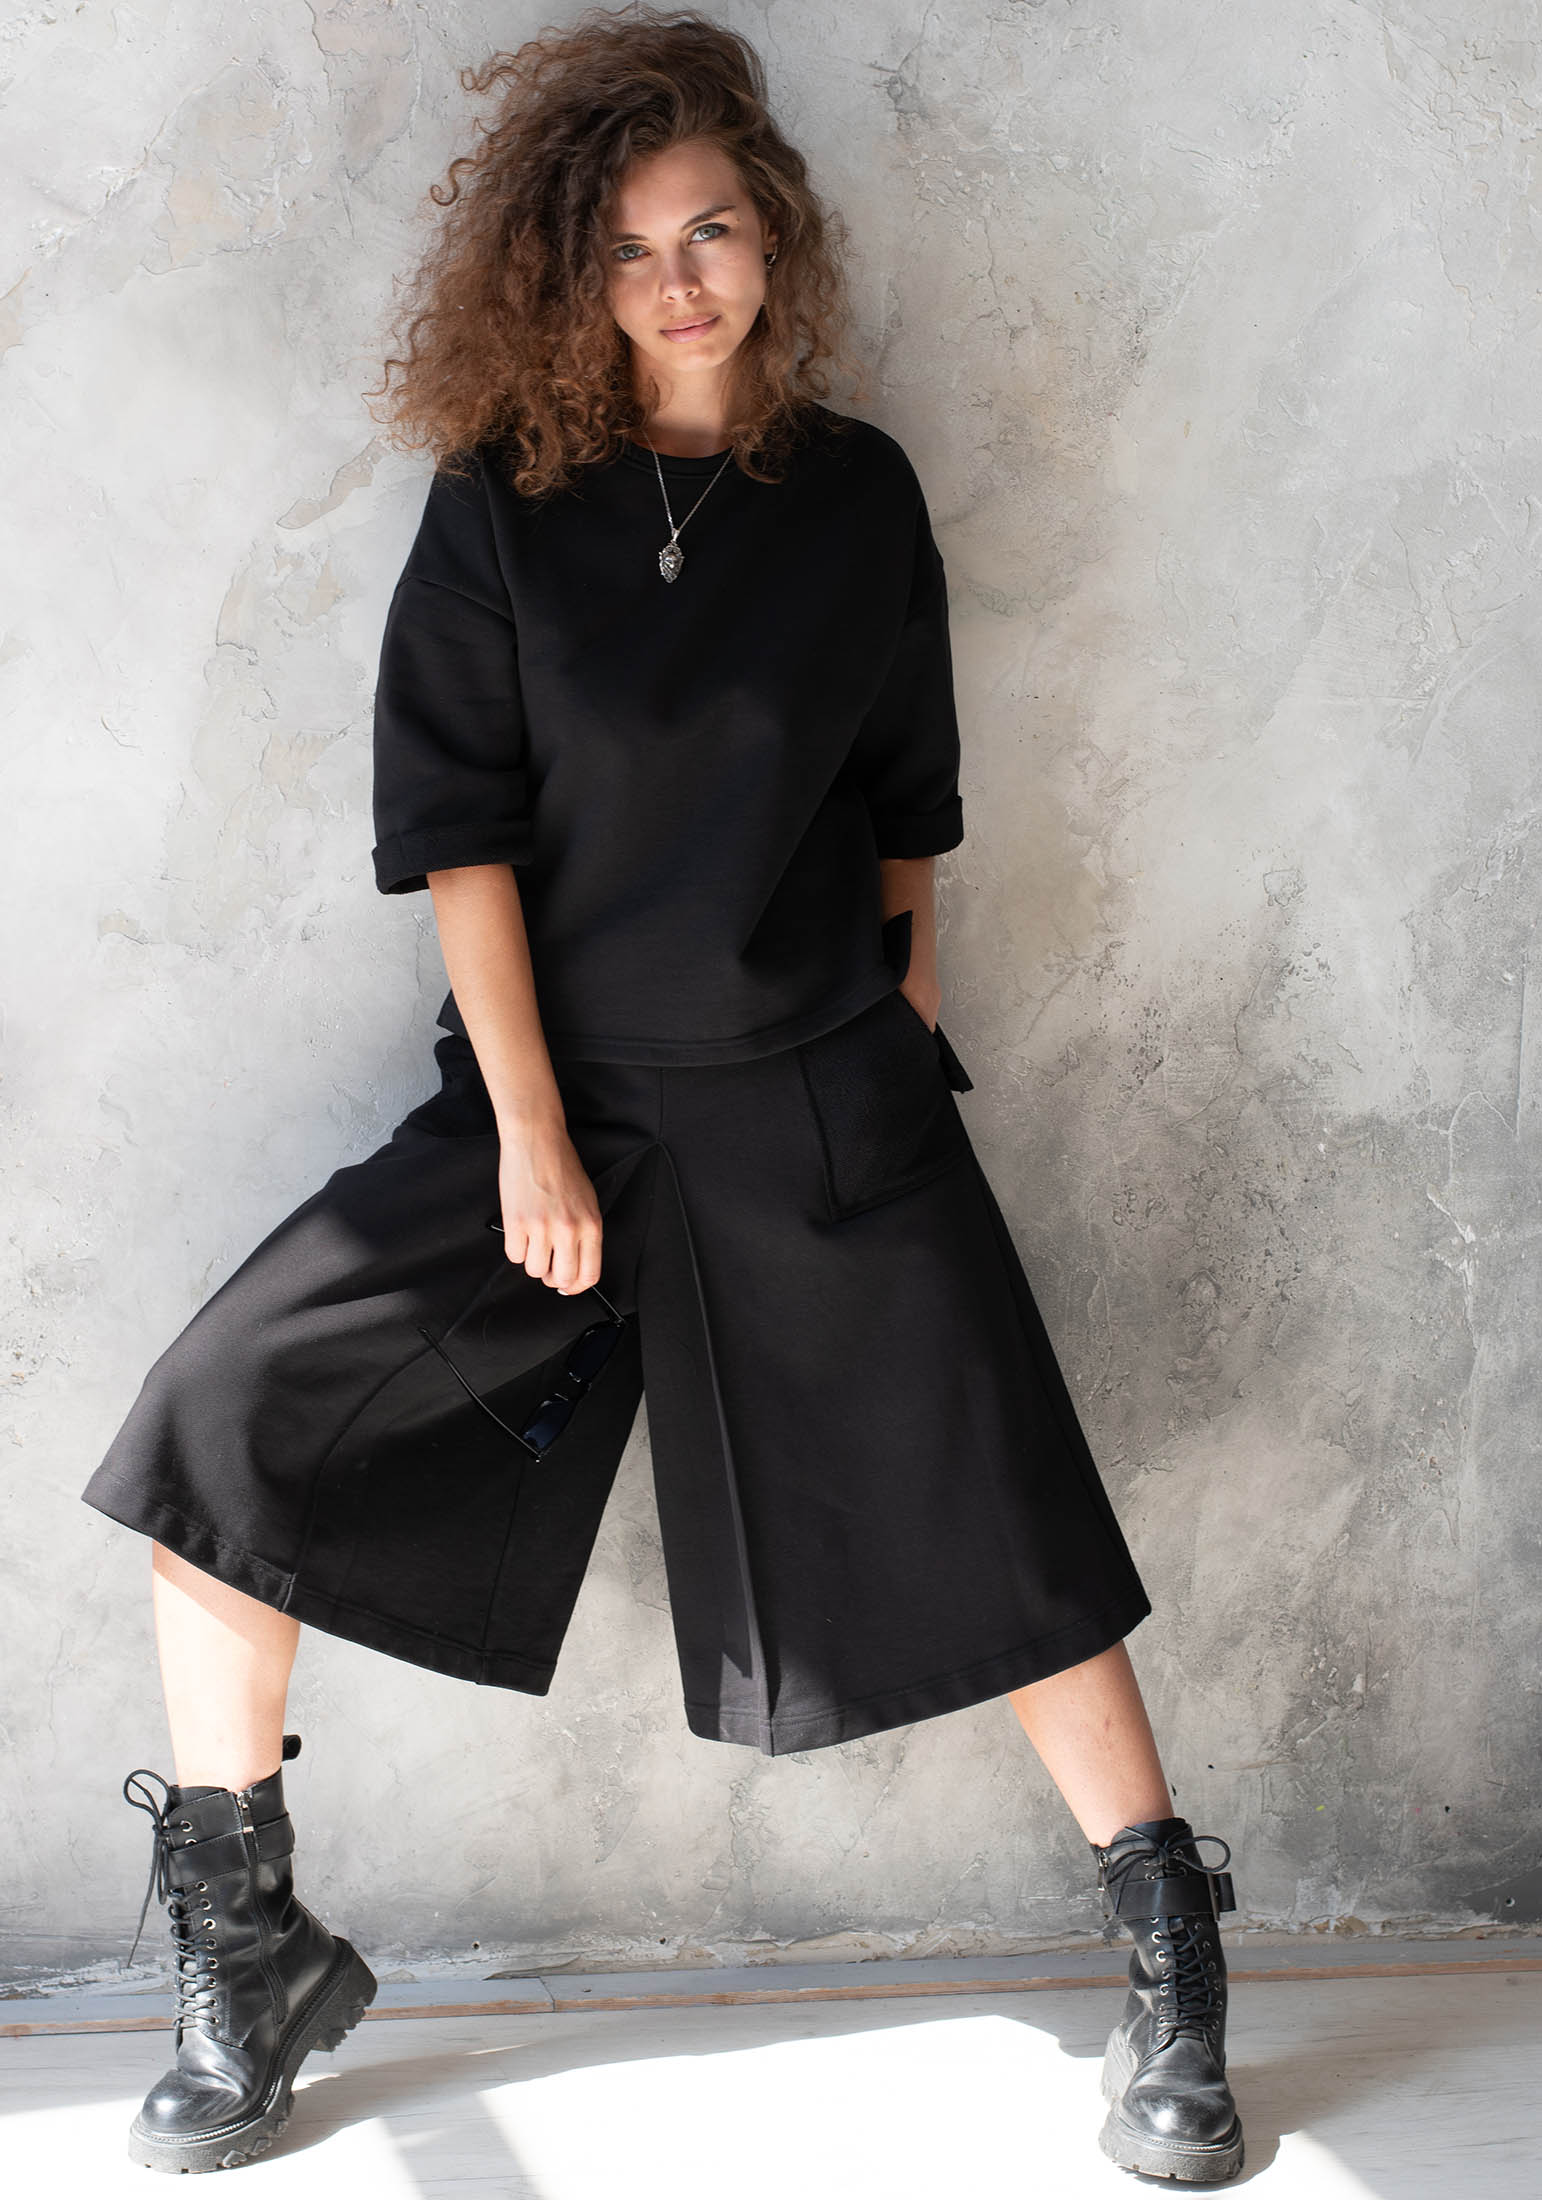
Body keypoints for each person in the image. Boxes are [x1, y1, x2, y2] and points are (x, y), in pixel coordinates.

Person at [83, 6, 1243, 2182]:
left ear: (772, 236)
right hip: (564, 1102)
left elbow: (906, 808)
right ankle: (249, 1945)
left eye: (709, 229)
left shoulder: (859, 494)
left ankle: (1172, 1951)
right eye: (626, 248)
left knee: (1004, 1507)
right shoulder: (502, 512)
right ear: (567, 272)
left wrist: (894, 1030)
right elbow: (462, 844)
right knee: (219, 1417)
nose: (677, 279)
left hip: (816, 1088)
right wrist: (527, 1133)